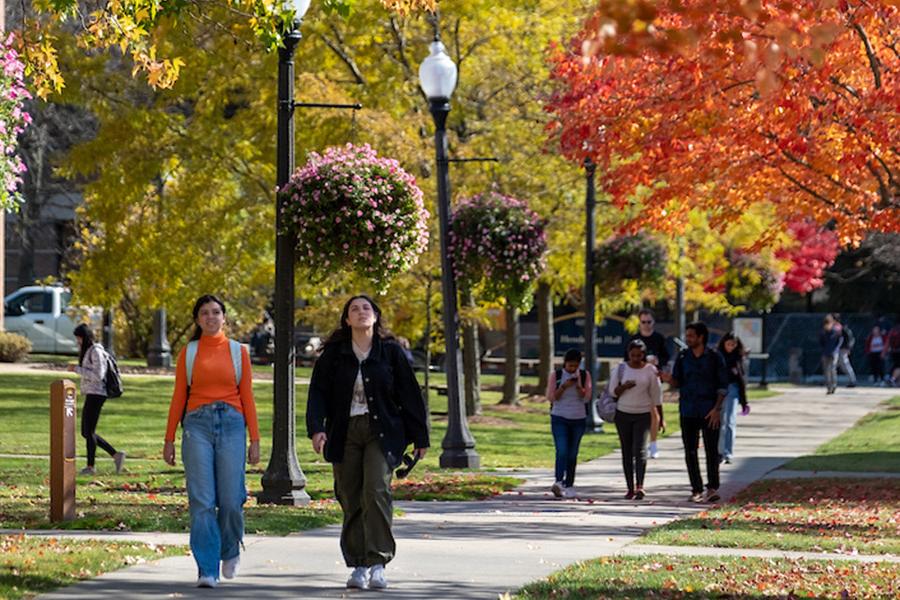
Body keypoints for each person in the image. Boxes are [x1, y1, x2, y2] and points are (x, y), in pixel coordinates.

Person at [306, 295, 429, 590]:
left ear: (375, 316)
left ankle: (377, 563)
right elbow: (318, 393)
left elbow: (410, 395)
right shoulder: (334, 354)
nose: (361, 312)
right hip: (344, 432)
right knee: (349, 495)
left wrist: (420, 437)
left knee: (375, 491)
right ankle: (357, 564)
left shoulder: (391, 353)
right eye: (354, 309)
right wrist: (317, 429)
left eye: (366, 308)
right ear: (347, 320)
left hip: (381, 432)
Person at [163, 295, 260, 588]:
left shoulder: (238, 352)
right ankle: (206, 568)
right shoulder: (188, 352)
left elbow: (248, 396)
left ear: (224, 317)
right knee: (202, 500)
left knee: (231, 500)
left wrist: (255, 439)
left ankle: (229, 549)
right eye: (204, 313)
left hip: (232, 424)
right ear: (197, 319)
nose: (211, 317)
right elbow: (179, 395)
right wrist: (169, 439)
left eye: (216, 312)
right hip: (197, 426)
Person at [667, 321, 727, 503]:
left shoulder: (715, 357)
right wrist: (667, 378)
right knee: (690, 451)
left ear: (701, 337)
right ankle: (696, 489)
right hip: (688, 410)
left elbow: (723, 386)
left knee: (711, 451)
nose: (688, 338)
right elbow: (676, 382)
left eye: (691, 335)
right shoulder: (683, 357)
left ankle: (712, 488)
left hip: (710, 411)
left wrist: (717, 409)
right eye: (688, 335)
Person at [69, 323, 125, 476]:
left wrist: (76, 369)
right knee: (87, 432)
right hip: (91, 393)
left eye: (79, 338)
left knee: (88, 431)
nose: (77, 341)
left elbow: (98, 375)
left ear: (84, 337)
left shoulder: (96, 352)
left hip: (97, 394)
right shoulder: (88, 351)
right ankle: (115, 455)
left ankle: (91, 466)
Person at [610, 340, 662, 500]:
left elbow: (656, 396)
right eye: (633, 355)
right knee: (626, 451)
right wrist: (624, 386)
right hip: (623, 413)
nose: (636, 358)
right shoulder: (620, 369)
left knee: (639, 450)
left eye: (639, 355)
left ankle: (640, 485)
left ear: (644, 355)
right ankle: (630, 488)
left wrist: (661, 417)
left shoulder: (650, 370)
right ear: (628, 354)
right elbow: (613, 392)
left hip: (643, 414)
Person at [544, 348, 593, 499]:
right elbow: (551, 397)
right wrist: (564, 386)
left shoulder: (584, 375)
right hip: (559, 417)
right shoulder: (556, 375)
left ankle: (569, 483)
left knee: (572, 453)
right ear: (564, 363)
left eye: (575, 366)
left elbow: (586, 398)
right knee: (562, 450)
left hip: (578, 418)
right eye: (570, 366)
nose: (572, 369)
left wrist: (578, 386)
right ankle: (558, 482)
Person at [624, 309, 668, 459]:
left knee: (654, 410)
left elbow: (666, 357)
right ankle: (637, 443)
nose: (646, 325)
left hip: (653, 378)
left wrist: (658, 361)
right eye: (643, 322)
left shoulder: (659, 338)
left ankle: (653, 443)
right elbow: (626, 360)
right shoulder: (634, 340)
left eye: (649, 322)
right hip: (637, 380)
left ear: (653, 322)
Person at [716, 332, 749, 465]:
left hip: (732, 390)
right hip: (719, 390)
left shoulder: (738, 358)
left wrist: (744, 401)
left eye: (733, 345)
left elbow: (741, 380)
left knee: (729, 421)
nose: (731, 347)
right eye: (728, 344)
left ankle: (727, 452)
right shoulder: (718, 357)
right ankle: (719, 451)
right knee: (719, 421)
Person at [819, 314, 842, 394]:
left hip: (833, 353)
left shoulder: (835, 332)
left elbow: (839, 341)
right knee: (826, 371)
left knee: (832, 370)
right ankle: (829, 387)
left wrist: (836, 350)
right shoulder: (823, 333)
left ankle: (834, 386)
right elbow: (821, 342)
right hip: (825, 353)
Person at [835, 316, 857, 388]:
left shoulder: (844, 329)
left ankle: (852, 380)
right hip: (837, 350)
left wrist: (848, 348)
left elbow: (851, 339)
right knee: (834, 365)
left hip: (843, 350)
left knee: (845, 364)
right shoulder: (835, 329)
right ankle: (830, 380)